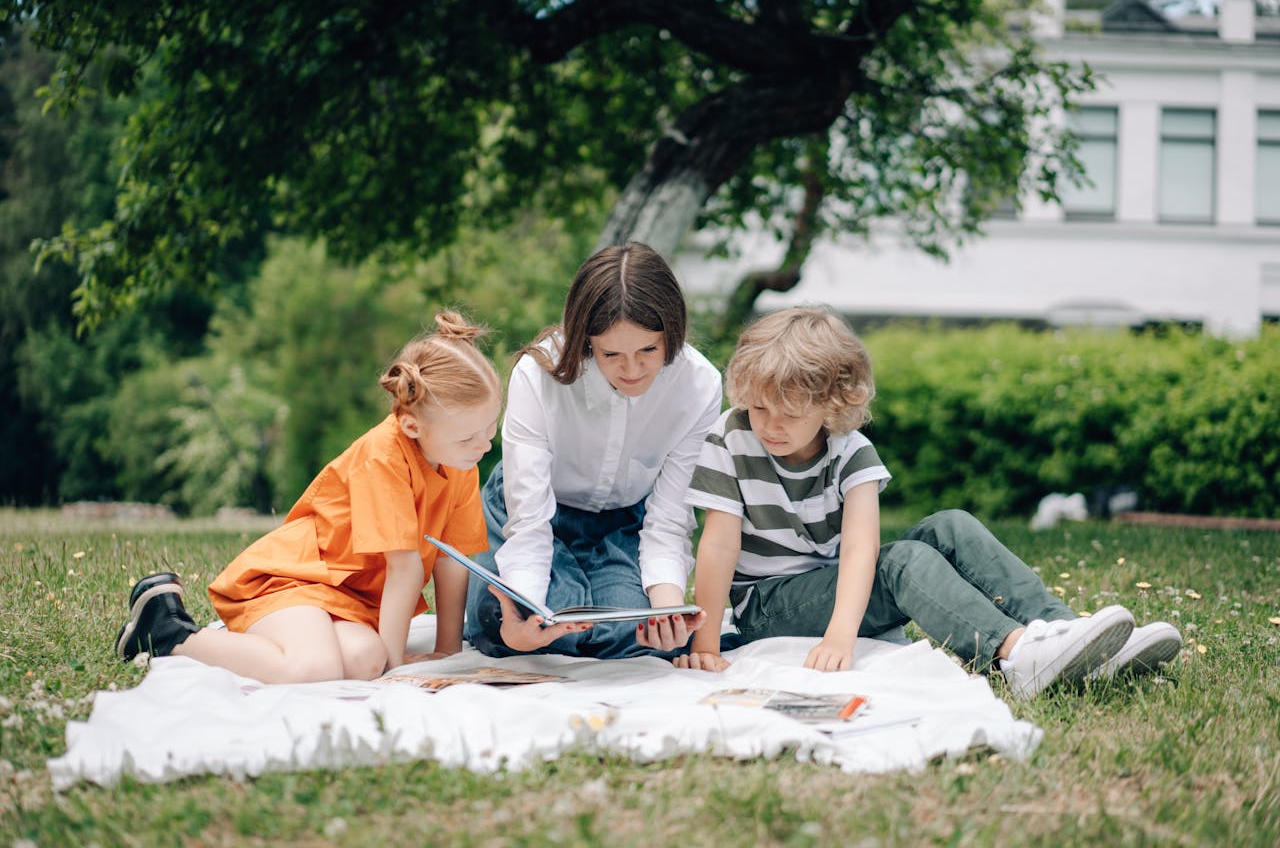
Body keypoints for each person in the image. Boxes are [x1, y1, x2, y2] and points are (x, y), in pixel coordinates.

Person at [672, 306, 1182, 700]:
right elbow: (717, 548)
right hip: (768, 604)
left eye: (789, 412)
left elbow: (858, 549)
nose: (770, 425)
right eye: (759, 407)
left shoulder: (852, 453)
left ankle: (1070, 635)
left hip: (832, 584)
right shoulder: (731, 438)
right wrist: (708, 644)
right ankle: (1015, 654)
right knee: (902, 562)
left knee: (952, 525)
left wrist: (839, 631)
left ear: (833, 405)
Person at [114, 311, 503, 683]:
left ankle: (280, 641)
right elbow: (404, 570)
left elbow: (452, 562)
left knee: (366, 659)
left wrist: (447, 651)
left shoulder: (460, 462)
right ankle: (170, 633)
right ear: (412, 425)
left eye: (490, 428)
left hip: (348, 597)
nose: (484, 446)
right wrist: (398, 667)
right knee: (313, 669)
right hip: (295, 580)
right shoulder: (383, 456)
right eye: (469, 436)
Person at [463, 242, 719, 659]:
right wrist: (524, 613)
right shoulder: (537, 374)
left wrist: (669, 611)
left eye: (648, 351)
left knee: (636, 634)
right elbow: (528, 521)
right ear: (585, 341)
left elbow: (670, 517)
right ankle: (506, 621)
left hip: (622, 524)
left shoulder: (699, 385)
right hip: (533, 510)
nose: (632, 370)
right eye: (611, 354)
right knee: (532, 625)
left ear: (671, 333)